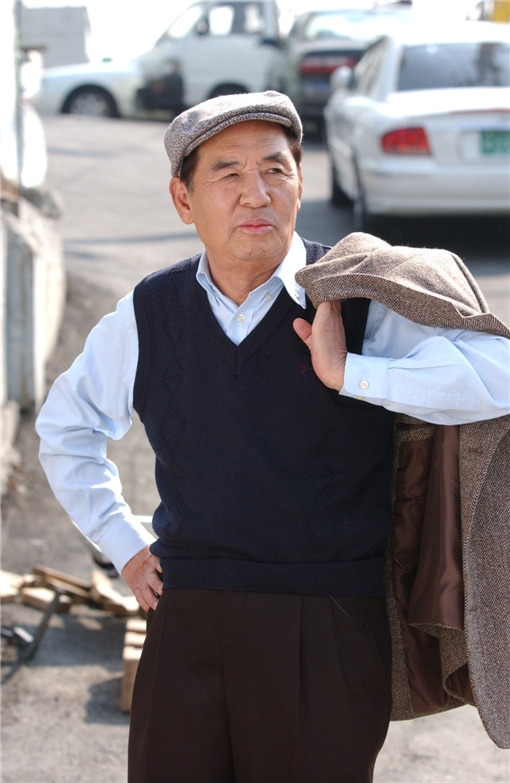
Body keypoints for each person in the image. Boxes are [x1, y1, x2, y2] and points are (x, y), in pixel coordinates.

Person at [36, 91, 510, 782]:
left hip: (328, 624)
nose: (255, 193)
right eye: (227, 173)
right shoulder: (149, 311)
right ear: (183, 199)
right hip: (185, 617)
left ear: (300, 181)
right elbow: (66, 426)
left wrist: (351, 371)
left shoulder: (354, 296)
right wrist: (125, 544)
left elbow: (497, 375)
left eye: (276, 169)